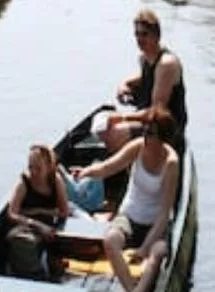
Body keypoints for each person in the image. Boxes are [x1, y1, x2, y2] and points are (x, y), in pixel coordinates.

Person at [75, 109, 181, 292]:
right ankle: (131, 289)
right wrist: (85, 172)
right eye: (145, 131)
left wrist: (145, 247)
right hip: (130, 216)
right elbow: (108, 167)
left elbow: (165, 213)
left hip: (155, 225)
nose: (146, 137)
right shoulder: (138, 146)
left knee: (156, 254)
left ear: (163, 138)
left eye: (151, 133)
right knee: (110, 241)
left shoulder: (171, 163)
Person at [103, 9, 188, 150]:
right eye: (137, 34)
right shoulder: (144, 58)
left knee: (115, 133)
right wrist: (124, 85)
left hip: (165, 130)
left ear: (157, 36)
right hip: (147, 121)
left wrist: (123, 118)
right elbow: (144, 77)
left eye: (144, 34)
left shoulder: (167, 64)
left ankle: (129, 163)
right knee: (104, 124)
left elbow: (155, 112)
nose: (140, 39)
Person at [7, 143, 71, 239]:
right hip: (29, 223)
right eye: (30, 167)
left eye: (38, 168)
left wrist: (40, 211)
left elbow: (64, 212)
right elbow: (12, 214)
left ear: (49, 167)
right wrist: (36, 224)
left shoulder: (55, 180)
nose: (33, 172)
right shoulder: (24, 183)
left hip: (50, 221)